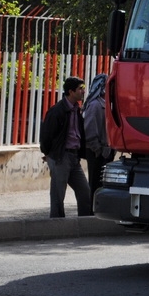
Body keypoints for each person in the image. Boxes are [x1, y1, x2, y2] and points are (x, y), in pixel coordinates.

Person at [39, 76, 93, 217]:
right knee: (58, 194)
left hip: (74, 158)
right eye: (80, 89)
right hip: (60, 157)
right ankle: (57, 226)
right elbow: (46, 136)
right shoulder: (57, 111)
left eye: (83, 88)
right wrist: (50, 154)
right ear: (70, 91)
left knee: (84, 192)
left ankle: (85, 223)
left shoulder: (77, 110)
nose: (83, 91)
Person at [83, 73, 115, 203]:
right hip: (97, 152)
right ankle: (92, 211)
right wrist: (98, 150)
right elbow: (90, 130)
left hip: (106, 152)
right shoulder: (95, 105)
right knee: (95, 184)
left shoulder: (107, 104)